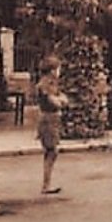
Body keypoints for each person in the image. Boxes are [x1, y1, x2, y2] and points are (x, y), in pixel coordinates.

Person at [36, 55, 69, 194]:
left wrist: (60, 100)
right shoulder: (45, 84)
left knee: (52, 151)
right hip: (48, 118)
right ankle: (46, 185)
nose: (59, 71)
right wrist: (59, 100)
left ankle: (47, 183)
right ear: (52, 70)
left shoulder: (52, 83)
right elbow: (54, 101)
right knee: (51, 151)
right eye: (57, 68)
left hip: (53, 119)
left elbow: (64, 99)